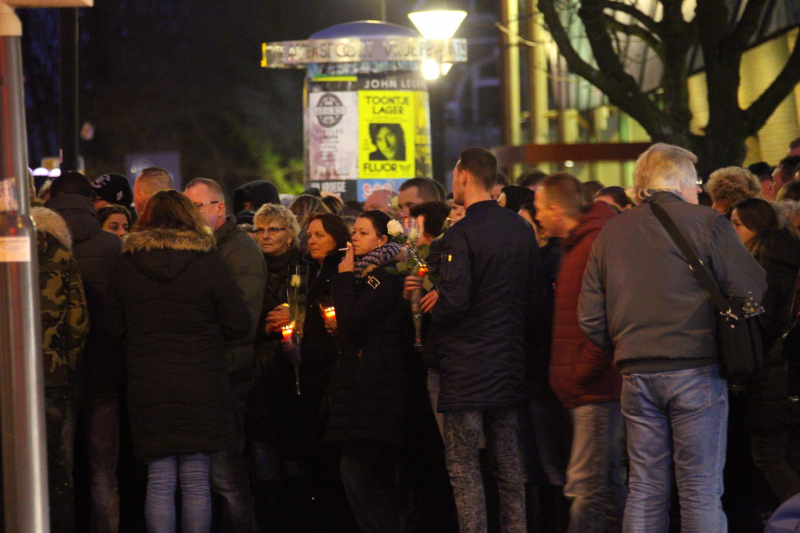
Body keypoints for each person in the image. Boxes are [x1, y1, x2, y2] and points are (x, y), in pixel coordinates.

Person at [579, 143, 767, 532]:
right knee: (699, 488)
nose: (698, 191)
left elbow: (590, 317)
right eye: (695, 183)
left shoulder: (611, 232)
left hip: (635, 372)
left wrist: (626, 346)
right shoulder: (706, 222)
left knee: (645, 488)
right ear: (679, 182)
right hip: (697, 368)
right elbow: (752, 286)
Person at [105, 190, 250, 533]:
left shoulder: (127, 264)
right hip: (201, 383)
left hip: (147, 384)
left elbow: (112, 326)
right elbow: (239, 323)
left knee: (158, 480)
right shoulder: (207, 262)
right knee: (197, 481)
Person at [430, 147, 539, 533]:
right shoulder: (521, 229)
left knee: (464, 466)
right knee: (509, 464)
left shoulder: (461, 234)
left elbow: (455, 302)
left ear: (461, 175)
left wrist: (433, 309)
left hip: (466, 366)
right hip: (509, 361)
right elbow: (534, 296)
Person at [534, 173, 625, 533]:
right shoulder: (575, 244)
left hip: (595, 388)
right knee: (606, 482)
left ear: (557, 210)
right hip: (586, 386)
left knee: (585, 484)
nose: (537, 216)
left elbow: (605, 320)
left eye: (540, 209)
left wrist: (580, 372)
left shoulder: (591, 244)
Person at [184, 178, 267, 533]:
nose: (192, 215)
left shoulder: (239, 250)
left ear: (219, 208)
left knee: (227, 475)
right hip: (206, 373)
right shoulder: (201, 247)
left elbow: (243, 320)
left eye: (198, 207)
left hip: (229, 372)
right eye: (188, 208)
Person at [44, 171, 124, 533]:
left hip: (54, 374)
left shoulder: (36, 244)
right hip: (105, 372)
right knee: (103, 471)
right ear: (92, 204)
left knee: (59, 468)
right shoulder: (111, 247)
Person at [328, 210, 410, 533]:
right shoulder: (369, 273)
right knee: (366, 473)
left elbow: (355, 322)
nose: (354, 239)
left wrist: (345, 279)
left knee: (358, 470)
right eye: (354, 232)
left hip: (376, 386)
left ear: (383, 239)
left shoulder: (386, 276)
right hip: (363, 385)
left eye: (362, 233)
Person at [731, 198, 800, 504]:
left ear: (755, 227)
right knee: (790, 454)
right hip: (788, 370)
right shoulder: (786, 255)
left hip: (775, 372)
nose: (732, 232)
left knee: (767, 455)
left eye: (737, 225)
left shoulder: (764, 265)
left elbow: (761, 323)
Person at [31, 205, 90, 533]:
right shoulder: (63, 258)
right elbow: (78, 322)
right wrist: (65, 363)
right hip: (52, 378)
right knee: (55, 473)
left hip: (8, 382)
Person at [247, 203, 301, 530]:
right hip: (259, 371)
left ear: (290, 234)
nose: (265, 236)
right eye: (260, 230)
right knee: (263, 460)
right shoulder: (251, 267)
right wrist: (264, 328)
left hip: (292, 370)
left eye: (274, 229)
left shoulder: (302, 267)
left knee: (294, 461)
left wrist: (297, 315)